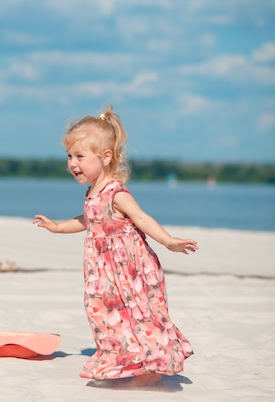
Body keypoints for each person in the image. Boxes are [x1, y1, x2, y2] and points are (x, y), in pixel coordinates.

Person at [33, 105, 197, 386]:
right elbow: (88, 219)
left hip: (129, 271)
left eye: (80, 156)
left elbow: (142, 218)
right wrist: (58, 227)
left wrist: (168, 240)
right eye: (69, 156)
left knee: (139, 314)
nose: (73, 163)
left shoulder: (116, 193)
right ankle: (123, 358)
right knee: (102, 313)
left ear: (106, 157)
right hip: (102, 271)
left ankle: (151, 367)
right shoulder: (92, 191)